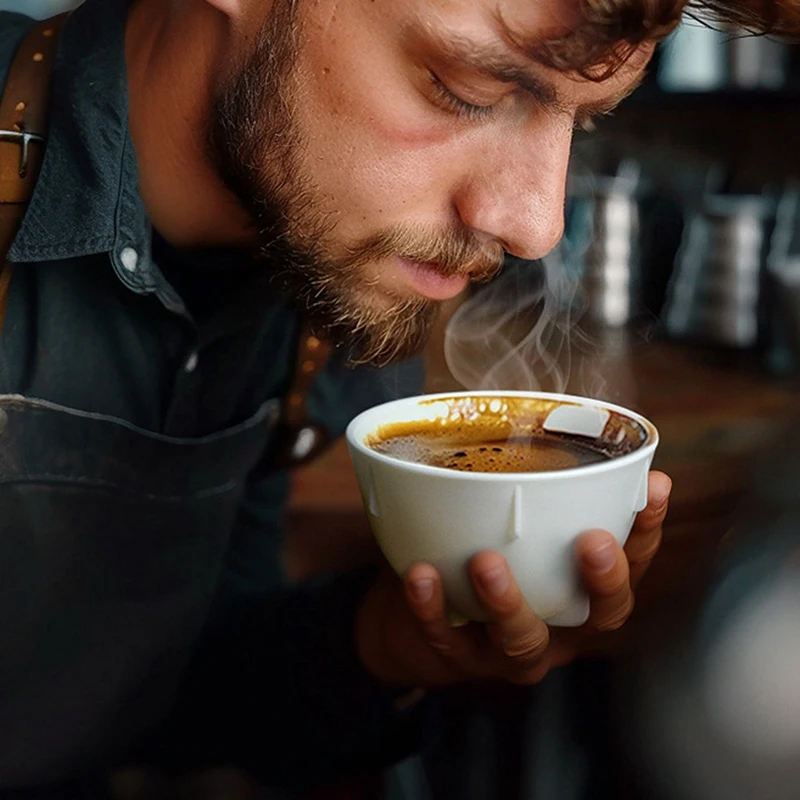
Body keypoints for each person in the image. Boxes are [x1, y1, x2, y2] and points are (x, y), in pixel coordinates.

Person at [0, 0, 789, 796]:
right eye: (467, 90)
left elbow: (168, 693)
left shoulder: (326, 275)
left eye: (582, 125)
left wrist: (380, 643)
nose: (535, 225)